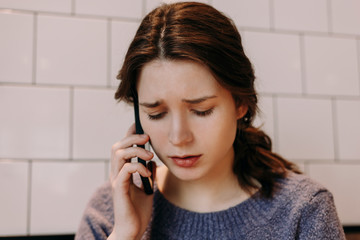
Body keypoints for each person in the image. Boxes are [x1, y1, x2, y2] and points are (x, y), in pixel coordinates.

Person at [75, 2, 345, 239]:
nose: (179, 138)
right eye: (156, 114)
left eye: (201, 110)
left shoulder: (304, 210)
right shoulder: (110, 210)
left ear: (241, 103)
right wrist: (126, 235)